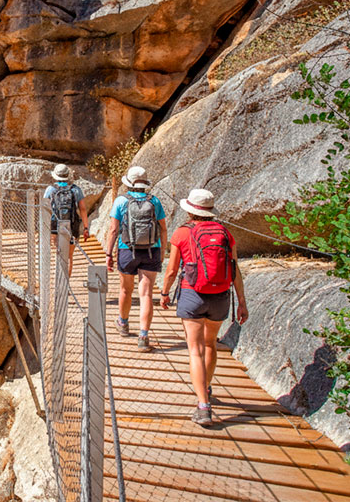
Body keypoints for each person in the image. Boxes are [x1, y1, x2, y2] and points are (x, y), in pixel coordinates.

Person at [160, 188, 248, 427]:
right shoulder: (226, 234)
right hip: (220, 296)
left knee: (195, 350)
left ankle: (203, 406)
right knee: (210, 344)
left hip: (192, 295)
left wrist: (165, 293)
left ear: (190, 211)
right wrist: (241, 301)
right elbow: (235, 269)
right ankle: (206, 388)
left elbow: (171, 270)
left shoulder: (182, 233)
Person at [105, 166, 167, 352]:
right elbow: (163, 229)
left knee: (125, 290)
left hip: (127, 249)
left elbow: (113, 230)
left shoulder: (121, 201)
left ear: (129, 183)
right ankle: (143, 336)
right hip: (151, 250)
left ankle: (123, 324)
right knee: (146, 294)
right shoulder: (155, 201)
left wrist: (108, 254)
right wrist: (162, 252)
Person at [43, 163, 90, 276]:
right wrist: (86, 228)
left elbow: (45, 208)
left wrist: (45, 227)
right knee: (69, 256)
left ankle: (59, 282)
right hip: (72, 227)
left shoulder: (50, 189)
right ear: (68, 175)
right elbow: (83, 209)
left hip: (55, 228)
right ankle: (66, 284)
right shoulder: (76, 190)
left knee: (59, 253)